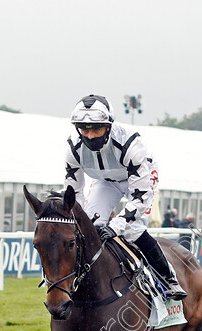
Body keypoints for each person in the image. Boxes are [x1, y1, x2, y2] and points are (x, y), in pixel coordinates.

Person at [63, 94, 186, 299]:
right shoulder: (73, 149)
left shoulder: (130, 143)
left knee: (133, 230)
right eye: (84, 129)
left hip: (137, 181)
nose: (90, 135)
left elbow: (140, 197)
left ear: (109, 126)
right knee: (91, 229)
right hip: (104, 182)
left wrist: (117, 224)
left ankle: (168, 277)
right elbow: (73, 194)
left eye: (96, 129)